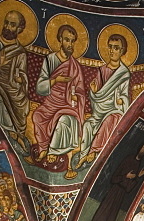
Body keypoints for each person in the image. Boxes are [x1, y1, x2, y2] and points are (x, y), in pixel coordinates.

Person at [31, 24, 88, 177]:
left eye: (72, 41)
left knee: (64, 120)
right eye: (67, 40)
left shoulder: (75, 66)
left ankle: (53, 152)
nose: (69, 44)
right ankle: (43, 149)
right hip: (51, 102)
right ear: (60, 40)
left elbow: (81, 92)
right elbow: (40, 87)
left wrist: (75, 96)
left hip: (68, 106)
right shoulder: (50, 60)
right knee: (37, 116)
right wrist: (56, 80)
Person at [72, 33, 133, 170]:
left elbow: (124, 96)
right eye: (110, 47)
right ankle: (83, 155)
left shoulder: (124, 73)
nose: (112, 51)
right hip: (99, 110)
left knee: (109, 120)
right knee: (88, 125)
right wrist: (93, 92)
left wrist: (121, 100)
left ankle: (94, 153)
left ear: (122, 51)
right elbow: (96, 97)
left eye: (116, 48)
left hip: (115, 110)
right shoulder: (102, 70)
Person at [0, 9, 31, 154]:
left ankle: (16, 135)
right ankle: (10, 135)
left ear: (19, 29)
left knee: (23, 105)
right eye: (6, 23)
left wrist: (20, 79)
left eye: (12, 25)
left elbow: (22, 74)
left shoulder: (20, 51)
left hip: (12, 87)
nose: (7, 27)